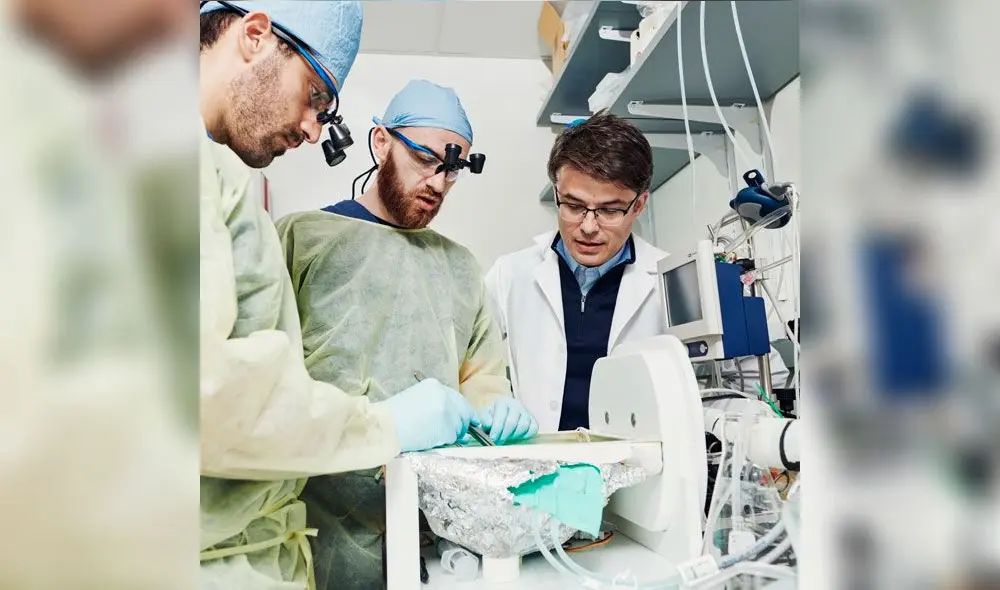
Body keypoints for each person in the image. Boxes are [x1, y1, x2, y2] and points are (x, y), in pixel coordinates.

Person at [199, 6, 479, 589]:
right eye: (315, 96)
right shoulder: (163, 166)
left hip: (256, 537)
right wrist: (379, 426)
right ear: (255, 35)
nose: (311, 129)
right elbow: (214, 398)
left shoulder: (212, 178)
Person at [275, 79, 538, 590]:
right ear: (380, 143)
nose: (438, 184)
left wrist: (496, 411)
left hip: (426, 534)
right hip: (310, 529)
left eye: (453, 170)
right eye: (425, 160)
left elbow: (481, 378)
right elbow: (261, 389)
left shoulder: (461, 269)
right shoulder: (300, 239)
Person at [485, 112, 787, 432]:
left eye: (610, 210)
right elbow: (463, 361)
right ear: (557, 193)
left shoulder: (676, 280)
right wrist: (489, 399)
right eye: (573, 206)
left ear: (639, 204)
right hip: (540, 466)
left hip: (641, 471)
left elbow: (764, 382)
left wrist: (702, 415)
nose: (588, 227)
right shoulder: (511, 274)